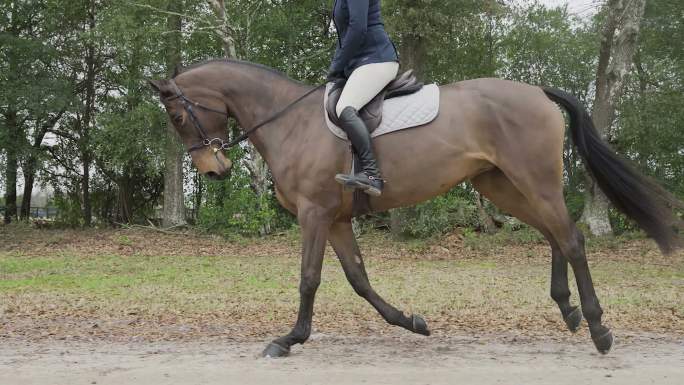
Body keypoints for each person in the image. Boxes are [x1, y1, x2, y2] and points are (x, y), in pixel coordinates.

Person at [327, 0, 400, 197]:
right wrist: (336, 66)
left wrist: (338, 65)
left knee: (344, 106)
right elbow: (344, 37)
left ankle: (371, 175)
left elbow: (358, 28)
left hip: (377, 59)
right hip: (359, 64)